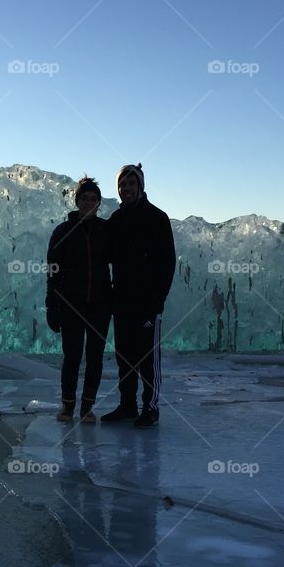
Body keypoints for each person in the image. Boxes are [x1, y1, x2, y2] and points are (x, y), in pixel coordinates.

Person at [101, 163, 176, 427]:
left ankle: (151, 407)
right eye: (122, 185)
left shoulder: (157, 218)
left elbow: (168, 263)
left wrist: (157, 300)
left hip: (147, 303)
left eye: (131, 184)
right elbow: (106, 255)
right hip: (122, 301)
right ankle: (127, 405)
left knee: (147, 359)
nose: (126, 189)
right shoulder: (116, 220)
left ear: (140, 187)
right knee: (125, 357)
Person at [46, 177, 112, 423]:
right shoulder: (63, 231)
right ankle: (67, 406)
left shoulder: (105, 231)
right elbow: (52, 271)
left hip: (100, 305)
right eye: (84, 198)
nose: (89, 203)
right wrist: (52, 306)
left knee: (95, 356)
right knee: (71, 356)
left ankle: (87, 407)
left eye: (94, 199)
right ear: (77, 201)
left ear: (99, 203)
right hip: (71, 304)